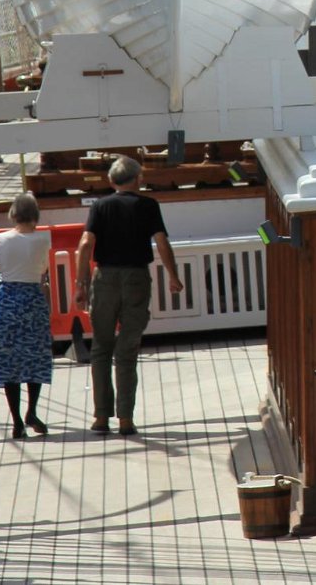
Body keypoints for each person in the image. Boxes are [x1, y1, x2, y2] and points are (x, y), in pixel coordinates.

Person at [75, 156, 182, 436]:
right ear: (138, 179)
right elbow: (161, 242)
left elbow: (86, 243)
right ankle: (125, 419)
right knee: (127, 350)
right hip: (136, 277)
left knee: (101, 348)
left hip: (105, 277)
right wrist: (173, 275)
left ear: (112, 181)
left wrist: (81, 284)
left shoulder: (100, 206)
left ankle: (100, 418)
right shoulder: (148, 206)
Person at [0, 192, 52, 440]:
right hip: (32, 301)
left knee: (9, 361)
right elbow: (42, 271)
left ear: (13, 214)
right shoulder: (43, 239)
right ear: (34, 215)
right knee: (34, 356)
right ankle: (32, 411)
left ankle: (17, 421)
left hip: (8, 303)